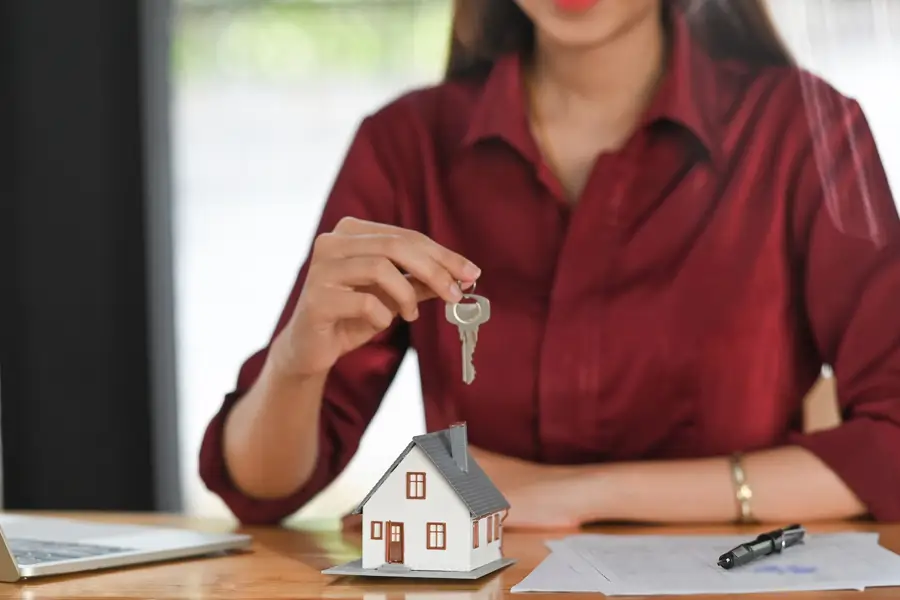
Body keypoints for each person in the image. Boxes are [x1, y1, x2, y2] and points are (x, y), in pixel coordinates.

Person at [199, 0, 900, 528]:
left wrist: (582, 494)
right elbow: (261, 491)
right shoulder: (406, 145)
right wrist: (295, 360)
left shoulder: (805, 132)